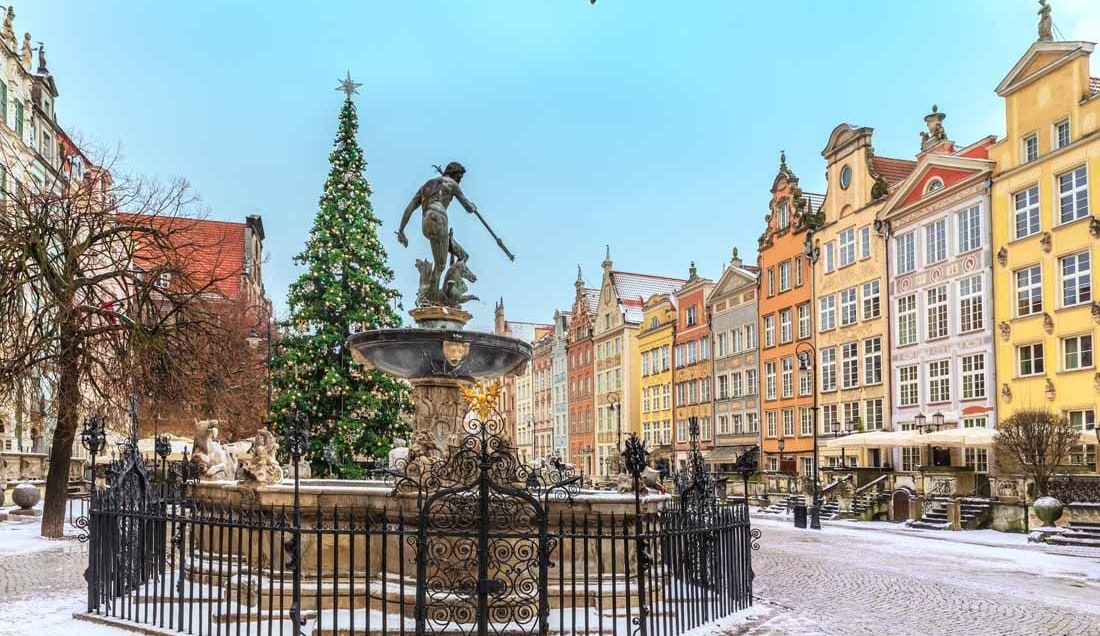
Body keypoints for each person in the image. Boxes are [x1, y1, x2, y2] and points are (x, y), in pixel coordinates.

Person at [396, 162, 479, 301]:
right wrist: (473, 206)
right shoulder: (452, 184)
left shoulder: (426, 186)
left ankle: (444, 289)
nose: (460, 180)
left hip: (426, 221)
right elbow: (468, 208)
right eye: (460, 177)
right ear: (456, 175)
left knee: (460, 254)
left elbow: (410, 207)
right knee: (440, 265)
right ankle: (434, 299)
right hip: (439, 218)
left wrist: (401, 230)